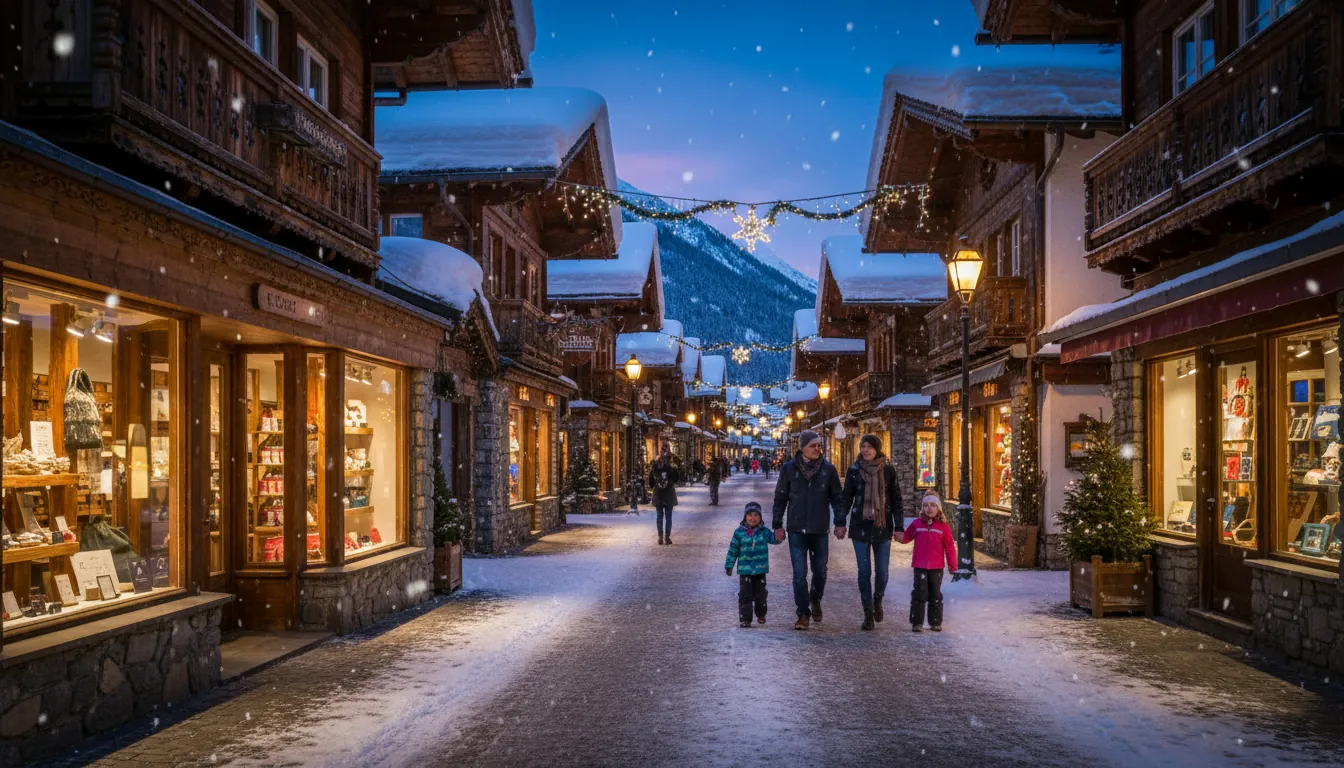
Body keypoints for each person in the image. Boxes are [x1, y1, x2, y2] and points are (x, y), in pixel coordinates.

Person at [772, 430, 844, 630]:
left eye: (819, 445)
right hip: (796, 529)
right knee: (799, 574)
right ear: (802, 447)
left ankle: (815, 599)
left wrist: (840, 522)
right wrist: (777, 524)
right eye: (813, 445)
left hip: (819, 529)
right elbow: (780, 498)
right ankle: (802, 613)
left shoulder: (828, 470)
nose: (817, 449)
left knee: (820, 571)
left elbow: (837, 498)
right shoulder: (789, 469)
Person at [838, 434, 903, 631]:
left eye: (869, 447)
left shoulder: (889, 470)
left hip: (882, 527)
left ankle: (878, 599)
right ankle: (867, 612)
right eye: (863, 446)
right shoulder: (854, 470)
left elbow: (896, 500)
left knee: (882, 572)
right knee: (864, 572)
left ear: (877, 449)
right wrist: (840, 522)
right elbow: (846, 498)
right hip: (860, 527)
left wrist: (899, 527)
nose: (865, 450)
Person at [903, 491, 958, 632]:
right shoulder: (917, 524)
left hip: (936, 567)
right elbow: (906, 537)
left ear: (938, 508)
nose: (929, 508)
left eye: (933, 505)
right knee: (919, 593)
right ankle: (917, 622)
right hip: (920, 565)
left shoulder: (943, 527)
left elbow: (950, 547)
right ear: (922, 508)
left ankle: (935, 622)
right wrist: (896, 535)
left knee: (935, 594)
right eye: (926, 505)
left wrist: (953, 565)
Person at [725, 502, 783, 628]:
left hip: (760, 570)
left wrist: (780, 536)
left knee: (760, 595)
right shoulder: (739, 533)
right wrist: (729, 565)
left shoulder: (764, 531)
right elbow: (733, 550)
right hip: (745, 570)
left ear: (760, 518)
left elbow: (774, 539)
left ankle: (761, 613)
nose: (753, 518)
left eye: (756, 515)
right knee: (745, 595)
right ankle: (745, 619)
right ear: (745, 517)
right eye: (750, 515)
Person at [649, 447, 680, 545]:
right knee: (668, 516)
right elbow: (676, 478)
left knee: (659, 516)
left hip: (658, 494)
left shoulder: (654, 468)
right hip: (668, 494)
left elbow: (650, 482)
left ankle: (660, 536)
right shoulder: (671, 468)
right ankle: (667, 537)